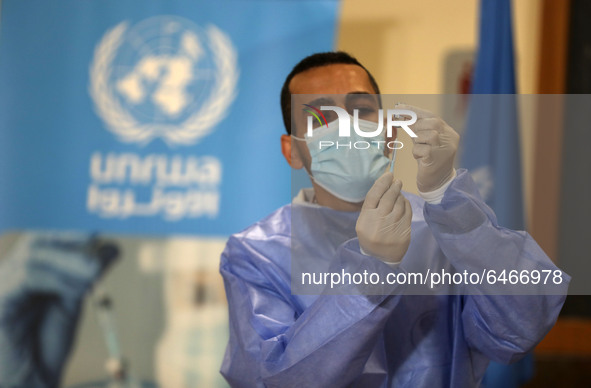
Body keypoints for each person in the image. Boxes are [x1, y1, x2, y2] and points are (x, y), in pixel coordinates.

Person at [218, 51, 569, 387]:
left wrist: (448, 198)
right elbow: (275, 380)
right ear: (291, 150)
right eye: (320, 118)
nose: (347, 129)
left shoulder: (446, 226)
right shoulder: (256, 253)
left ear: (389, 132)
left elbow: (523, 325)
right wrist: (371, 268)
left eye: (362, 110)